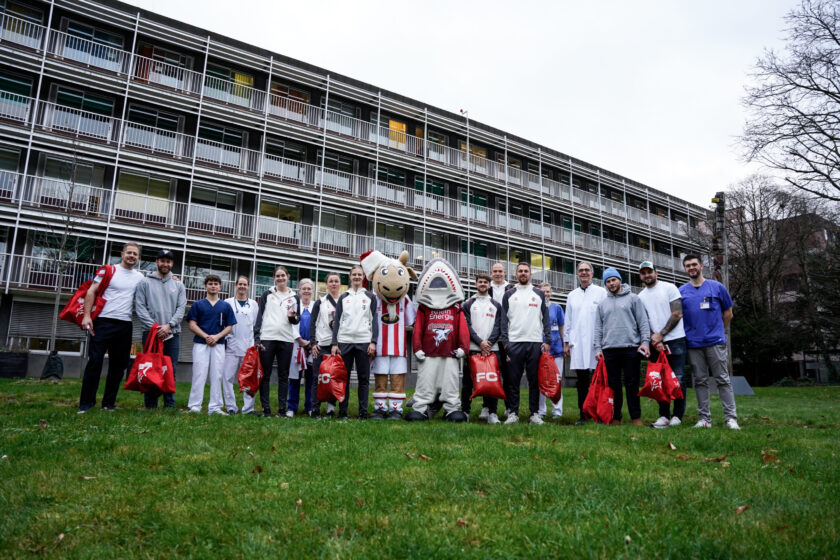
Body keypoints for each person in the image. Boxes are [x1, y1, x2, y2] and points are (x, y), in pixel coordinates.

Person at [78, 242, 144, 413]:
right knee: (95, 362)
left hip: (124, 324)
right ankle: (86, 404)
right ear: (122, 254)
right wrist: (86, 316)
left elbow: (154, 282)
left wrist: (173, 278)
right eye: (129, 253)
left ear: (138, 258)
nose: (131, 256)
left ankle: (108, 404)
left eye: (135, 254)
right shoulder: (109, 270)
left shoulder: (140, 277)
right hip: (103, 321)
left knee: (119, 366)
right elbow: (91, 291)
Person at [679, 254, 740, 430]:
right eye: (688, 265)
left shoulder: (717, 287)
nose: (691, 268)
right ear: (685, 269)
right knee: (700, 381)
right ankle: (704, 419)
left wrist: (718, 330)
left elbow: (728, 313)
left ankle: (731, 419)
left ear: (701, 266)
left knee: (722, 379)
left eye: (694, 264)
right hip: (693, 344)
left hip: (715, 342)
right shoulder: (681, 292)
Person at [593, 268, 650, 426]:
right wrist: (598, 348)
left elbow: (643, 322)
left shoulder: (633, 299)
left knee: (632, 384)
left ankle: (636, 417)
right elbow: (598, 328)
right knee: (613, 386)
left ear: (620, 280)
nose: (611, 283)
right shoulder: (602, 304)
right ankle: (615, 417)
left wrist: (645, 342)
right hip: (609, 349)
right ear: (605, 284)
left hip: (630, 347)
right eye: (608, 281)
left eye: (613, 280)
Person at [134, 248, 186, 409]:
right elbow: (140, 307)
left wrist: (169, 325)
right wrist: (155, 327)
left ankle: (169, 404)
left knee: (170, 369)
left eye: (168, 261)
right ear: (157, 262)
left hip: (172, 334)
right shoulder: (144, 282)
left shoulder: (178, 285)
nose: (165, 264)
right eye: (162, 261)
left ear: (172, 264)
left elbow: (181, 308)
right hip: (151, 333)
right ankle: (151, 405)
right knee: (150, 367)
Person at [500, 262, 551, 425]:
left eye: (526, 271)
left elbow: (546, 318)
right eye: (520, 271)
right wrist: (505, 342)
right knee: (512, 381)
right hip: (514, 342)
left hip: (535, 342)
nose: (523, 273)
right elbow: (503, 320)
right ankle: (513, 413)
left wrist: (547, 340)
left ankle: (534, 414)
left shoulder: (539, 294)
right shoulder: (509, 294)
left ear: (530, 274)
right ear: (516, 274)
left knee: (534, 381)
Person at [638, 261, 687, 428]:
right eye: (643, 273)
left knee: (678, 378)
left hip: (675, 339)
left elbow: (677, 313)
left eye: (649, 271)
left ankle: (677, 415)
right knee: (659, 380)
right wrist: (654, 338)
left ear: (656, 273)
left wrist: (662, 334)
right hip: (655, 342)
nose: (647, 275)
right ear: (641, 276)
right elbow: (643, 321)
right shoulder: (641, 296)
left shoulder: (669, 288)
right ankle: (664, 415)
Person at [331, 265, 378, 419]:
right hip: (344, 341)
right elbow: (337, 321)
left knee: (363, 379)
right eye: (354, 274)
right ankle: (343, 412)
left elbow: (374, 321)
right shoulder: (343, 297)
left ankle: (363, 413)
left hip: (364, 341)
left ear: (363, 277)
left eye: (359, 274)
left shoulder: (370, 297)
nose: (357, 277)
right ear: (350, 277)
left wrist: (373, 342)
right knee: (343, 379)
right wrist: (334, 343)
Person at [563, 261, 607, 425]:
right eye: (580, 270)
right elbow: (568, 320)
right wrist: (566, 342)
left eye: (587, 270)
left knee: (599, 380)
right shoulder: (572, 295)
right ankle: (583, 414)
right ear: (577, 274)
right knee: (581, 382)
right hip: (578, 343)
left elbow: (605, 318)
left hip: (596, 343)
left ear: (592, 273)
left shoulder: (601, 292)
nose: (584, 272)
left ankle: (600, 414)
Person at [253, 265, 300, 417]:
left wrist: (292, 317)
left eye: (283, 275)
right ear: (274, 278)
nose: (280, 278)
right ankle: (266, 409)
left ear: (288, 277)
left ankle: (281, 410)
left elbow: (296, 320)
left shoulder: (295, 297)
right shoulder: (267, 294)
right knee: (265, 375)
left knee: (283, 376)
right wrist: (257, 338)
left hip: (286, 339)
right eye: (277, 276)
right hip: (267, 338)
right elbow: (259, 316)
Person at [186, 274, 236, 414]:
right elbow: (192, 324)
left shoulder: (225, 306)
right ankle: (195, 406)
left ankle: (215, 407)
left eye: (215, 284)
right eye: (210, 284)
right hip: (201, 344)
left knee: (217, 375)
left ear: (220, 287)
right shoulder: (198, 305)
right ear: (205, 286)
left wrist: (217, 336)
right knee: (199, 374)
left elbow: (229, 326)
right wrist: (206, 336)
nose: (213, 286)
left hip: (218, 345)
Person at [461, 272, 503, 424]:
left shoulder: (496, 305)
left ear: (489, 285)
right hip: (473, 349)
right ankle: (465, 412)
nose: (483, 284)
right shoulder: (468, 304)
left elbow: (498, 327)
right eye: (480, 282)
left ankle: (492, 413)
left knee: (492, 383)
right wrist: (480, 343)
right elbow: (467, 326)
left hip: (492, 350)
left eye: (486, 282)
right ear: (476, 284)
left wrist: (488, 344)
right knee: (468, 383)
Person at [222, 275, 259, 415]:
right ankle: (231, 407)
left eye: (245, 284)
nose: (242, 286)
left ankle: (248, 408)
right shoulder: (227, 303)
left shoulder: (253, 304)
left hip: (248, 347)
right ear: (235, 285)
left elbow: (256, 325)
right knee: (227, 378)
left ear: (248, 287)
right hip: (231, 345)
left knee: (248, 378)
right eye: (240, 284)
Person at [310, 272, 343, 417]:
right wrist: (313, 343)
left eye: (336, 281)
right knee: (318, 377)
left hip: (339, 345)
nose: (334, 283)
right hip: (322, 344)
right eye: (331, 281)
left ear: (340, 284)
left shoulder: (345, 301)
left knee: (334, 377)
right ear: (327, 284)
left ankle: (331, 408)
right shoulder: (320, 302)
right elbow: (312, 323)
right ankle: (315, 408)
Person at [489, 261, 515, 420]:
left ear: (505, 272)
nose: (498, 274)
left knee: (508, 375)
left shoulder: (511, 289)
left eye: (500, 271)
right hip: (490, 338)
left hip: (507, 338)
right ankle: (487, 408)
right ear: (491, 273)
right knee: (490, 374)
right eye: (495, 271)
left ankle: (509, 407)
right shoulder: (487, 288)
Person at [287, 278, 315, 417]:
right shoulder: (293, 306)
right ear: (299, 290)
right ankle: (292, 407)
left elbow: (319, 325)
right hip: (297, 346)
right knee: (294, 378)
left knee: (311, 379)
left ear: (312, 291)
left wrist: (311, 342)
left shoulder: (316, 306)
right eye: (304, 288)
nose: (306, 291)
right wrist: (300, 340)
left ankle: (310, 407)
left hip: (312, 347)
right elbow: (289, 324)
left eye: (309, 289)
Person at [537, 282, 565, 420]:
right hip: (540, 350)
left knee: (556, 380)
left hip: (556, 349)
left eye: (548, 291)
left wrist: (565, 344)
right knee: (541, 380)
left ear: (551, 293)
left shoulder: (557, 308)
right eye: (543, 291)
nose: (546, 294)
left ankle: (557, 410)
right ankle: (541, 410)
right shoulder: (535, 307)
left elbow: (562, 327)